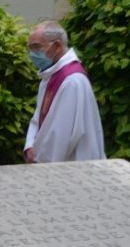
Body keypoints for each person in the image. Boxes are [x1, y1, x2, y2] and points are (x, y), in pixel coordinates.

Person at [24, 20, 106, 164]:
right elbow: (38, 118)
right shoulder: (49, 75)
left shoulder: (73, 81)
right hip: (53, 161)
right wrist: (30, 146)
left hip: (74, 164)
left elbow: (62, 136)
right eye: (30, 48)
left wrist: (38, 158)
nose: (32, 54)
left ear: (56, 46)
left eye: (36, 47)